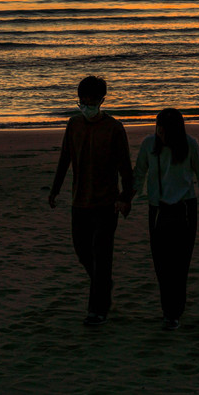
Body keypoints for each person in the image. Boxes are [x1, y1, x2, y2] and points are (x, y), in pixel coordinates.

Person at [49, 76, 134, 326]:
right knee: (83, 252)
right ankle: (103, 285)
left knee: (102, 254)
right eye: (82, 101)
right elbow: (65, 159)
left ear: (101, 101)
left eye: (91, 101)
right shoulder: (73, 125)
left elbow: (125, 168)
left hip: (106, 204)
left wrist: (125, 197)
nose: (86, 105)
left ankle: (96, 311)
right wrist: (55, 190)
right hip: (79, 202)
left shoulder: (114, 129)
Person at [133, 108, 199, 330]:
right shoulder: (148, 145)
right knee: (161, 264)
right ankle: (168, 310)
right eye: (158, 129)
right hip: (158, 209)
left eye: (164, 130)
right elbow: (139, 174)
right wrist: (127, 199)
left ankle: (174, 312)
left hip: (185, 210)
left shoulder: (190, 144)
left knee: (181, 264)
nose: (160, 134)